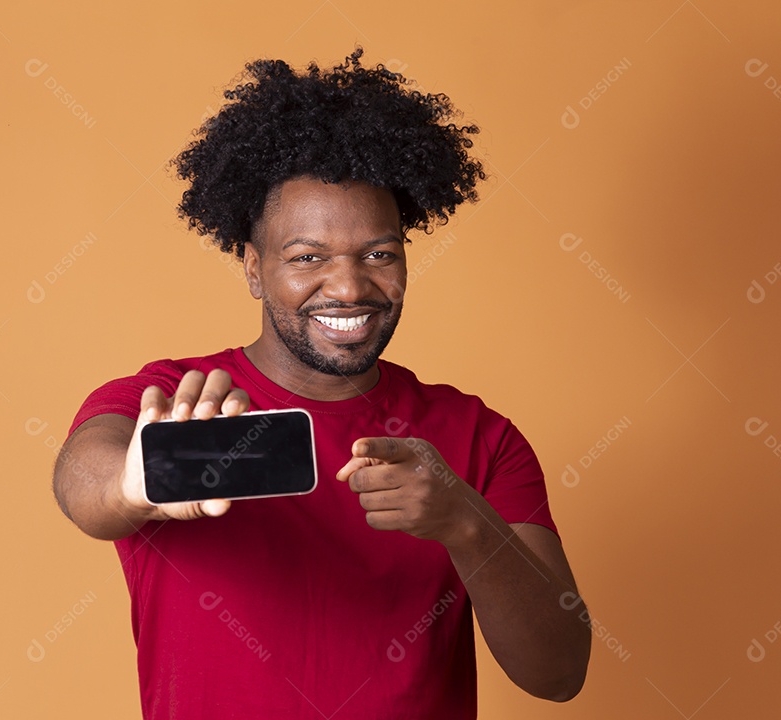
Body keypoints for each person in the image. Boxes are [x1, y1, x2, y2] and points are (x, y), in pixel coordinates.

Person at [53, 48, 590, 719]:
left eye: (379, 254)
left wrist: (466, 523)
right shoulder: (171, 403)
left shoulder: (480, 437)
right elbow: (82, 484)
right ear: (254, 268)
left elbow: (559, 671)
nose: (349, 286)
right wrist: (140, 481)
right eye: (308, 257)